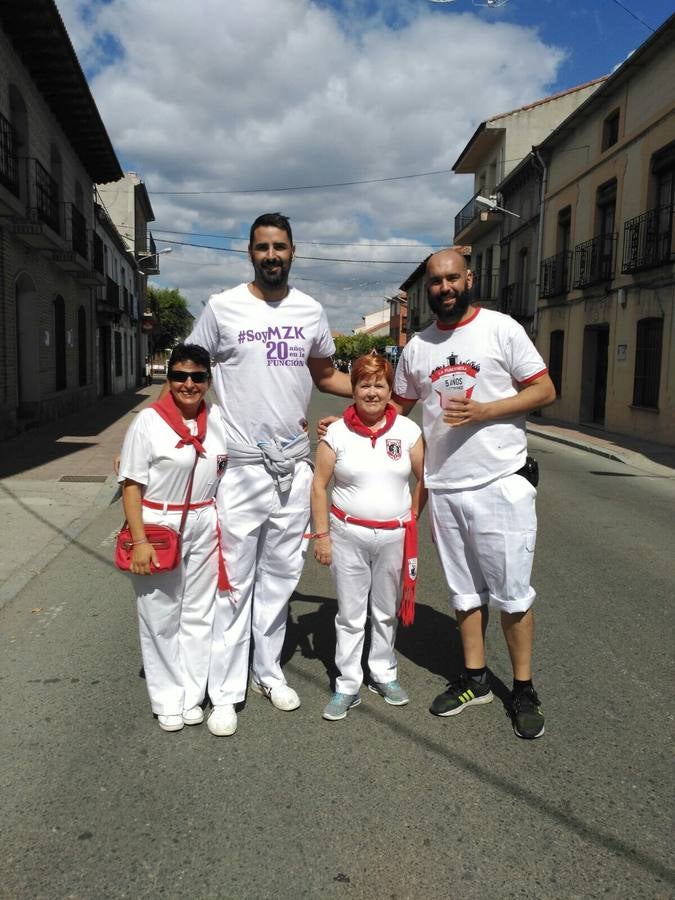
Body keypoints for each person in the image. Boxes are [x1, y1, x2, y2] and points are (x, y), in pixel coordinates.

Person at [184, 212, 352, 737]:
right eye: (263, 247)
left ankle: (268, 670)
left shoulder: (310, 310)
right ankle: (226, 691)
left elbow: (325, 374)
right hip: (241, 470)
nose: (272, 255)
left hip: (294, 469)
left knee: (279, 581)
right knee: (233, 585)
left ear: (293, 251)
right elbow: (188, 368)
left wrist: (381, 394)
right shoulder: (222, 307)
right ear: (250, 252)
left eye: (280, 246)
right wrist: (162, 434)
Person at [392, 249, 556, 739]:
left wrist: (486, 412)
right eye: (435, 283)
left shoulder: (502, 328)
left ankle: (523, 687)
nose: (444, 288)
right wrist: (352, 425)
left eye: (451, 279)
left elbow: (544, 390)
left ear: (469, 278)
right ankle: (476, 678)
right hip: (444, 485)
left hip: (500, 482)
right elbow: (398, 407)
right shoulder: (418, 347)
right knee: (465, 593)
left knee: (512, 594)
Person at [118, 344, 228, 732]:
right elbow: (131, 485)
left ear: (208, 382)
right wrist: (140, 539)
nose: (189, 383)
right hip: (159, 524)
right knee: (160, 615)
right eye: (180, 375)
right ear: (169, 379)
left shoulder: (216, 419)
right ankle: (167, 697)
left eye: (198, 377)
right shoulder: (148, 422)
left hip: (203, 520)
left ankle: (192, 694)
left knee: (198, 613)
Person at [311, 353, 425, 720]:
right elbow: (318, 486)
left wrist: (412, 517)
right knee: (350, 613)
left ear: (390, 390)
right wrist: (322, 536)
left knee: (385, 611)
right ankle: (347, 683)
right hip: (348, 535)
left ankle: (382, 673)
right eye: (364, 384)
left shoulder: (407, 432)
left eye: (379, 384)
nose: (372, 392)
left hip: (394, 536)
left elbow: (425, 479)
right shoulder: (336, 433)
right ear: (354, 390)